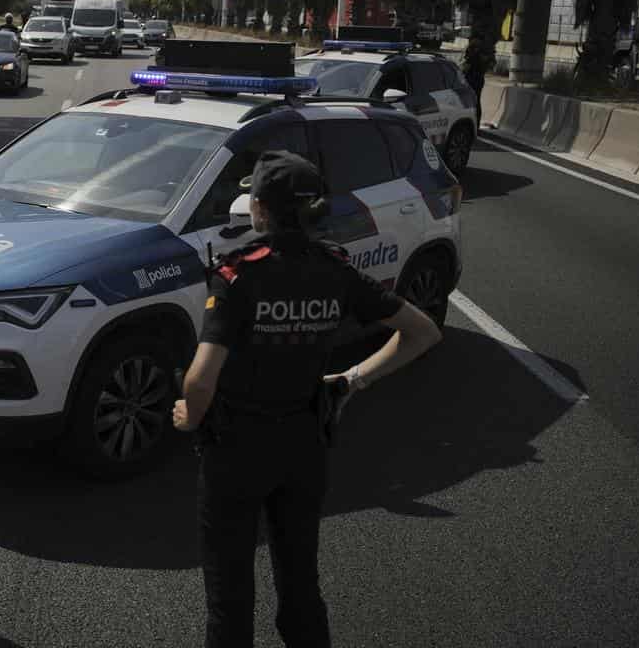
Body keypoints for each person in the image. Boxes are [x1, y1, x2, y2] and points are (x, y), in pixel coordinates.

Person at [172, 150, 442, 648]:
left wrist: (190, 415)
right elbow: (423, 332)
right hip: (303, 443)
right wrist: (351, 380)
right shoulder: (335, 270)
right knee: (299, 582)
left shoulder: (238, 275)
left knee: (229, 596)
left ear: (259, 210)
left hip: (236, 449)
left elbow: (200, 378)